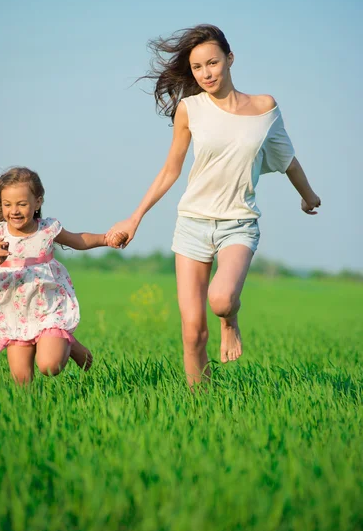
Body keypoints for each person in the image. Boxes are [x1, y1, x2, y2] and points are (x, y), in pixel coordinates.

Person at [105, 24, 321, 387]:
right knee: (192, 333)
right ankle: (199, 405)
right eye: (197, 67)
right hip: (192, 224)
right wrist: (135, 217)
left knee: (220, 300)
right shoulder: (190, 109)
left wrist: (308, 195)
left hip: (238, 223)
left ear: (230, 59)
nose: (206, 73)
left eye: (213, 63)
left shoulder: (264, 107)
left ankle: (230, 320)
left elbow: (288, 160)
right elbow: (170, 170)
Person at [0, 166, 126, 384]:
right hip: (14, 311)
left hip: (48, 308)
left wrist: (106, 239)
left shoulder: (47, 229)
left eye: (22, 204)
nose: (14, 210)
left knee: (49, 366)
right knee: (22, 383)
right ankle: (34, 413)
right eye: (8, 204)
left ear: (37, 202)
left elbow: (78, 240)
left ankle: (66, 340)